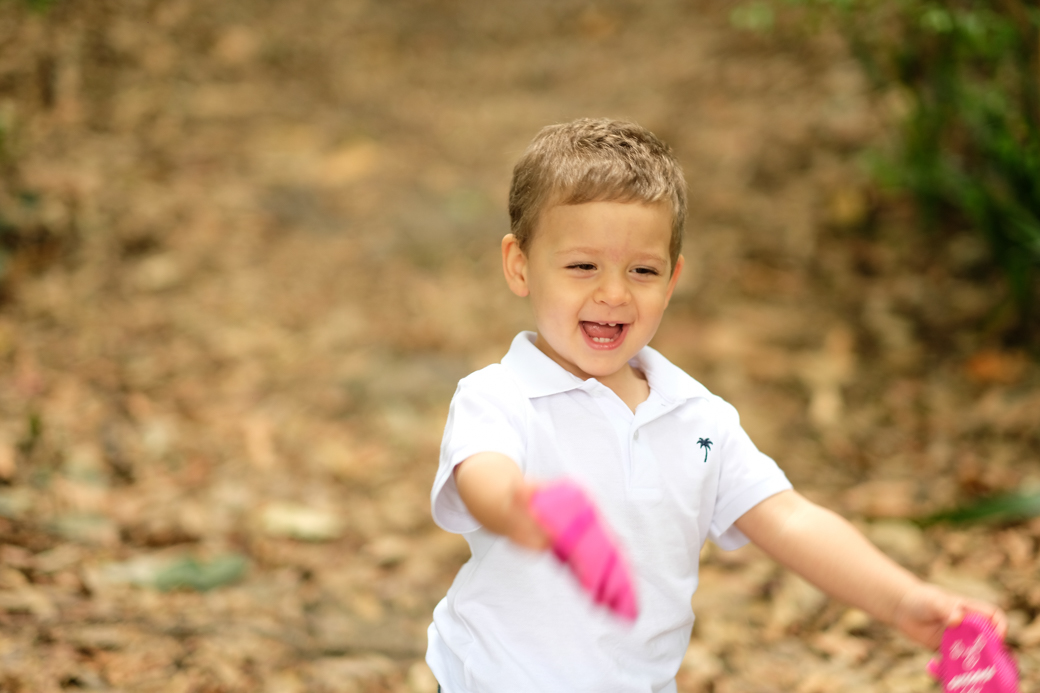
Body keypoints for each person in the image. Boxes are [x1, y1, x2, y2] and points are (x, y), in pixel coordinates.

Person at [426, 118, 1006, 693]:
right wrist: (522, 508)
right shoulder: (499, 396)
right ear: (520, 265)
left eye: (642, 270)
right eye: (583, 266)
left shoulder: (697, 419)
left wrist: (903, 600)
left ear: (672, 280)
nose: (614, 293)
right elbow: (484, 476)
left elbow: (788, 519)